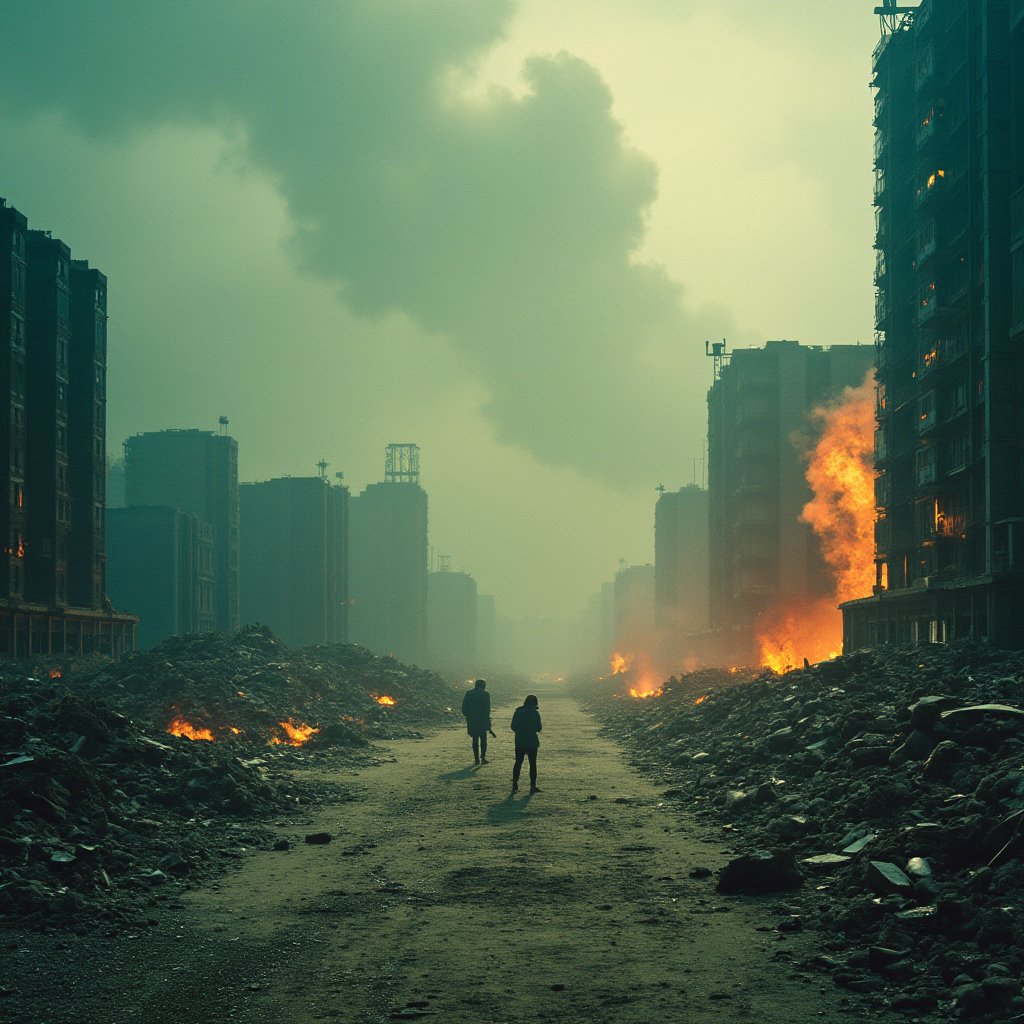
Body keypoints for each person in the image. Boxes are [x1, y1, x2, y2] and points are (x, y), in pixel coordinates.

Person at [510, 694, 542, 793]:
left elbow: (512, 726)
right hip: (532, 741)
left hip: (520, 740)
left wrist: (520, 732)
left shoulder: (518, 712)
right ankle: (533, 786)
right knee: (532, 764)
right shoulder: (535, 713)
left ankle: (515, 782)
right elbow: (539, 728)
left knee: (518, 762)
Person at [461, 678, 493, 765]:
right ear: (483, 686)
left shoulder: (469, 693)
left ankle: (476, 759)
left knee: (475, 739)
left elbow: (464, 708)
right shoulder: (486, 694)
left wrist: (469, 716)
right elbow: (487, 709)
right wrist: (487, 720)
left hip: (472, 720)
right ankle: (483, 757)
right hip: (482, 720)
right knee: (483, 739)